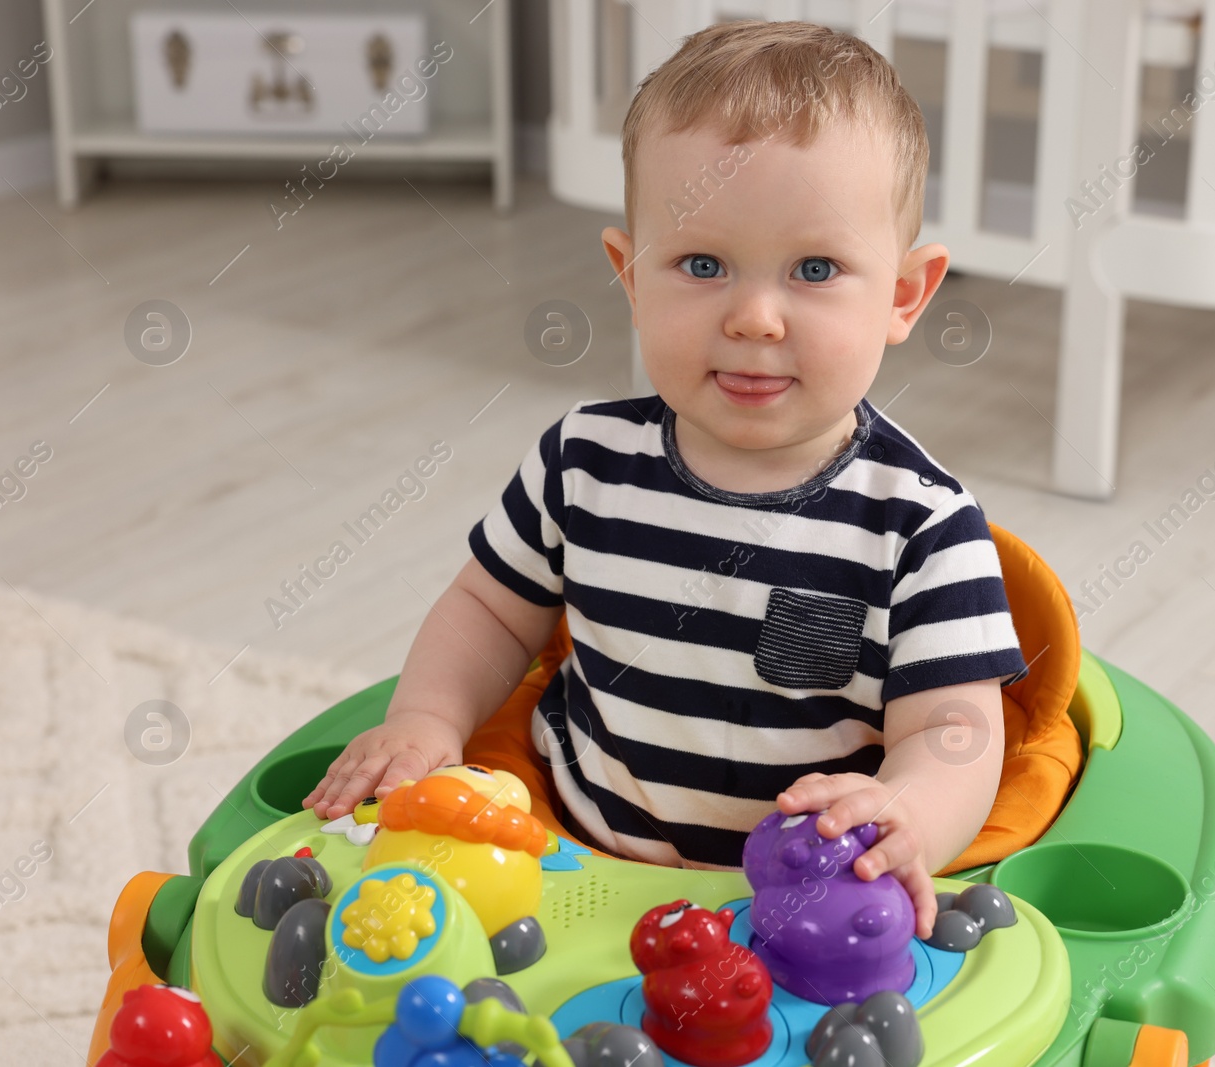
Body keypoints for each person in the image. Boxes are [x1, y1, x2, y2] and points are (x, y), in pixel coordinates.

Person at [306, 20, 1036, 940]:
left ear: (902, 295)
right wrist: (425, 719)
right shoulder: (581, 461)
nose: (756, 317)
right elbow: (490, 611)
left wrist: (911, 815)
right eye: (702, 264)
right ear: (630, 275)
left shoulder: (923, 526)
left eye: (815, 269)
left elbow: (954, 731)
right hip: (563, 866)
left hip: (788, 909)